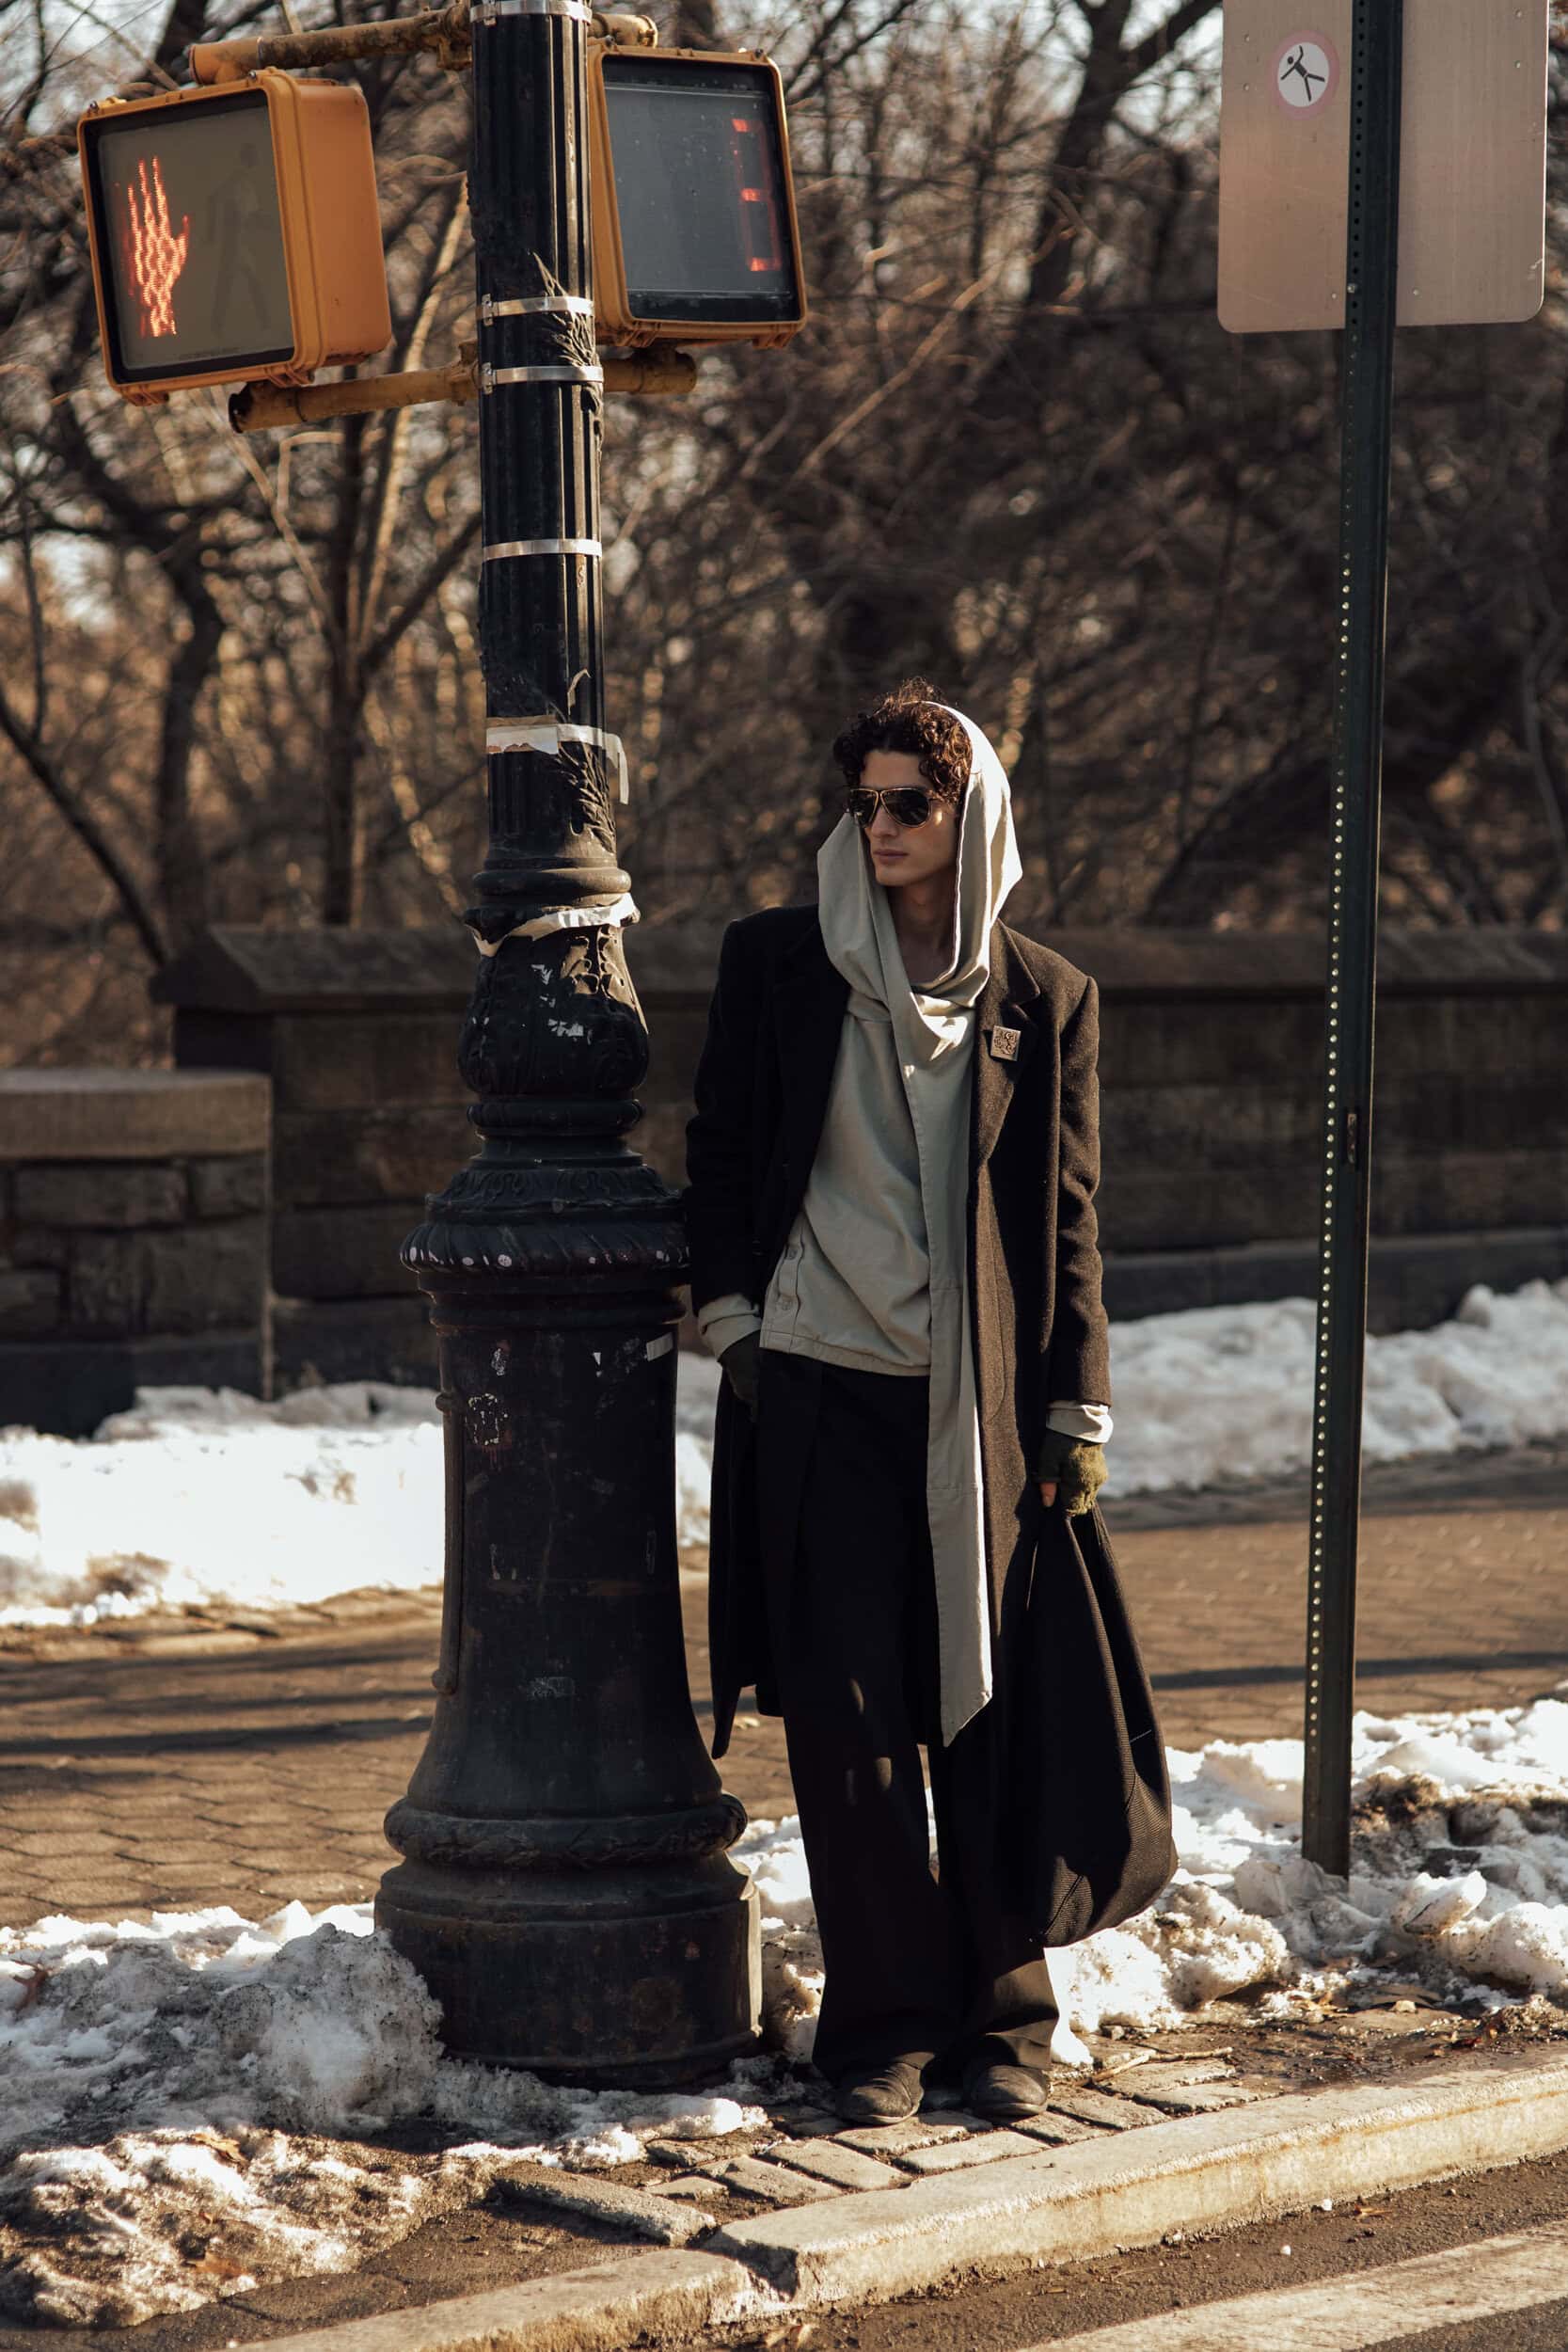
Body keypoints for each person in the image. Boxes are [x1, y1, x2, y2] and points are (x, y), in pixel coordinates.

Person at [685, 681, 1173, 2125]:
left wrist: (1077, 1407)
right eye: (867, 803)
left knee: (988, 1711)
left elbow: (1069, 1220)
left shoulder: (1045, 998)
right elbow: (720, 1152)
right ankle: (883, 2033)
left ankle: (1007, 2024)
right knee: (851, 1729)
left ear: (975, 818)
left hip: (981, 1418)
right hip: (816, 1389)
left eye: (913, 802)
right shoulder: (778, 963)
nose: (883, 827)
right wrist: (735, 1323)